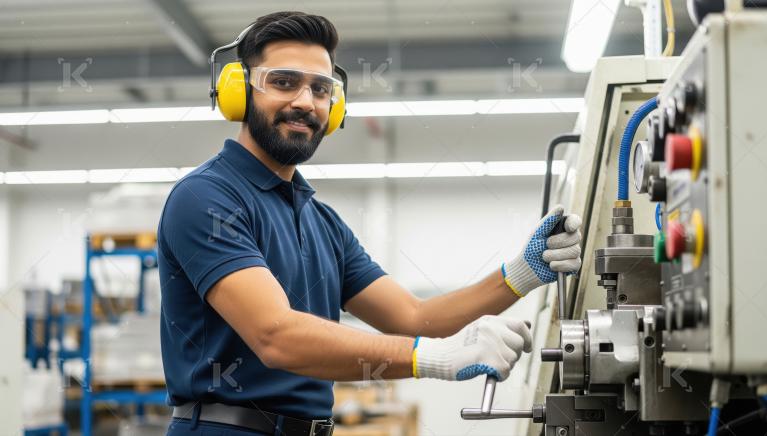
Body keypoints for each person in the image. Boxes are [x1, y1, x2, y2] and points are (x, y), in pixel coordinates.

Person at [158, 11, 582, 436]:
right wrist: (433, 358)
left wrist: (522, 273)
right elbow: (275, 335)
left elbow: (415, 317)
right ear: (239, 91)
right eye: (283, 82)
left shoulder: (322, 222)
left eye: (320, 89)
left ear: (334, 106)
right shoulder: (205, 198)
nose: (305, 102)